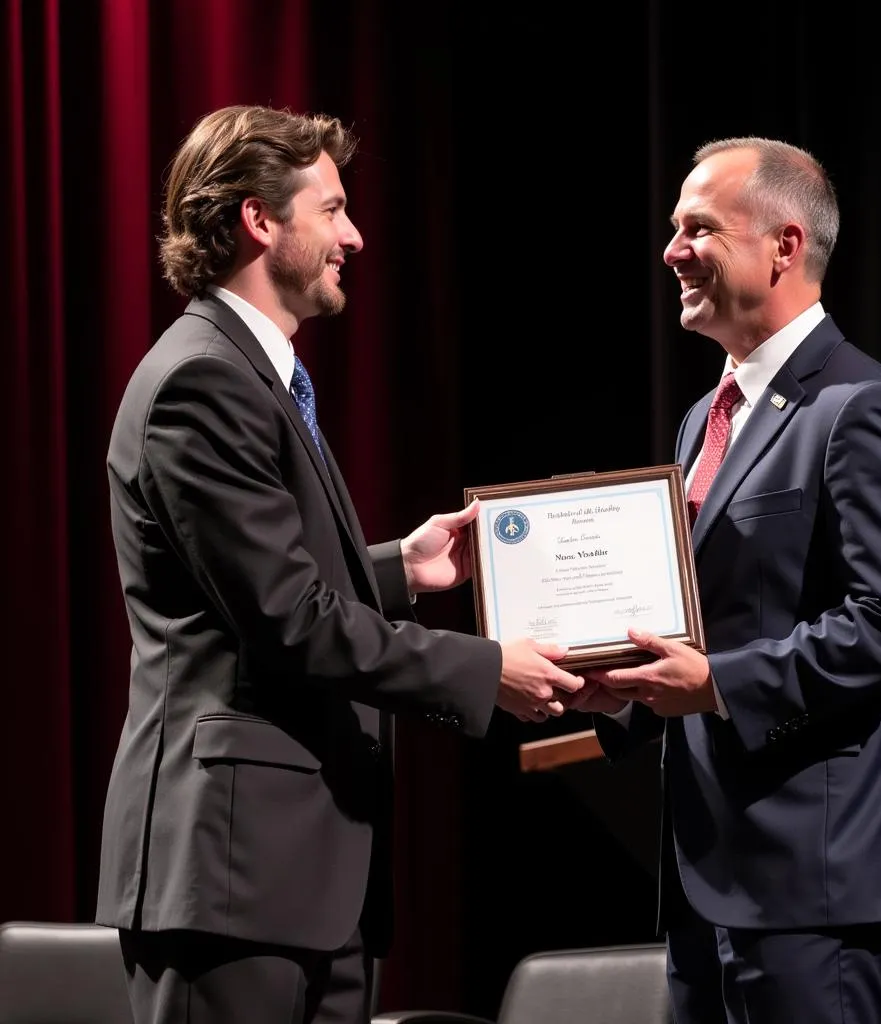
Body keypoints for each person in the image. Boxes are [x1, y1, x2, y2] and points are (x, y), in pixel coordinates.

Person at [95, 104, 582, 1024]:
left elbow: (260, 583)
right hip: (233, 878)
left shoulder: (253, 374)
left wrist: (403, 567)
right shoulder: (204, 381)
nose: (354, 235)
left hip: (300, 881)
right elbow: (286, 620)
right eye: (333, 209)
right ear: (259, 219)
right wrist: (487, 671)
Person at [571, 137, 881, 1023]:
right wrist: (617, 691)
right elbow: (708, 618)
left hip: (813, 878)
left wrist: (713, 685)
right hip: (706, 873)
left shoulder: (863, 406)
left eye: (698, 228)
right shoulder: (707, 415)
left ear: (783, 246)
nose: (671, 250)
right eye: (673, 229)